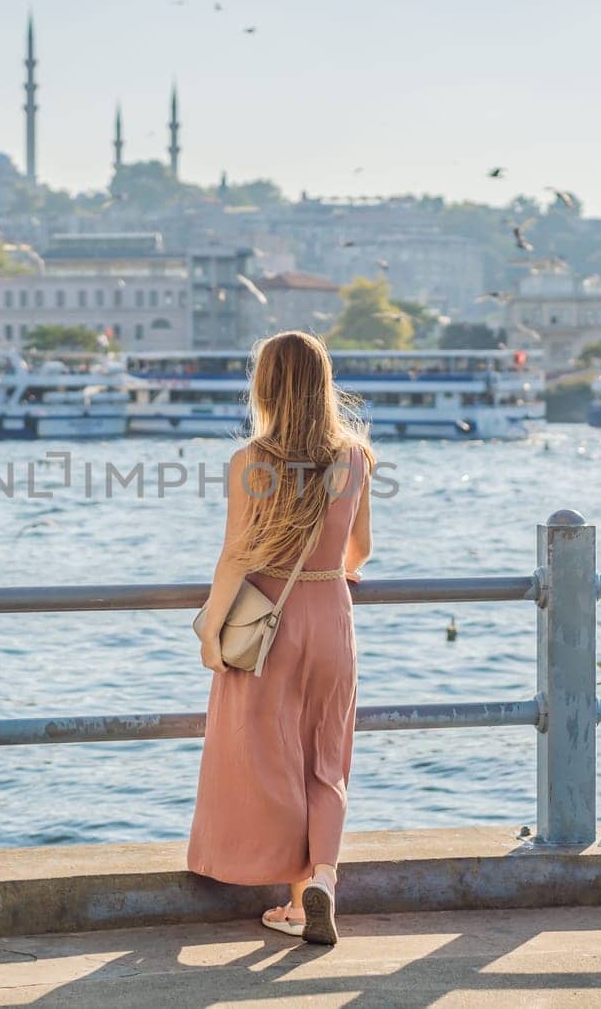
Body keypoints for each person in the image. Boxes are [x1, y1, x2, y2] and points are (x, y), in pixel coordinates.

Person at [188, 330, 374, 946]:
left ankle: (280, 878)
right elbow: (361, 551)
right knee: (326, 757)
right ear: (324, 384)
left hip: (270, 618)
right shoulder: (354, 456)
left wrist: (212, 632)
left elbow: (236, 555)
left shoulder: (252, 461)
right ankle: (316, 884)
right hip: (331, 614)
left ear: (264, 385)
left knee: (270, 758)